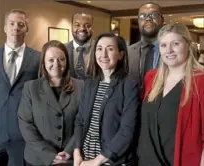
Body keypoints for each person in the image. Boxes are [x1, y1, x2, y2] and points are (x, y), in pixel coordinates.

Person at [137, 23, 204, 166]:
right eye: (163, 45)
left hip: (180, 161)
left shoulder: (200, 80)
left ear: (188, 45)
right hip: (147, 160)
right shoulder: (152, 77)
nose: (169, 50)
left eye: (176, 44)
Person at [71, 32, 139, 166]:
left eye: (110, 49)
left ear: (121, 55)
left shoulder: (129, 85)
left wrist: (97, 161)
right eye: (99, 48)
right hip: (85, 158)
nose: (104, 54)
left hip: (111, 160)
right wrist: (76, 151)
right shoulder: (90, 84)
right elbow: (80, 120)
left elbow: (127, 131)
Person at [18, 40, 84, 166]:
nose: (56, 64)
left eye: (61, 59)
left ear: (67, 61)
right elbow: (26, 124)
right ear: (43, 62)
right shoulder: (30, 88)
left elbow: (84, 121)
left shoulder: (81, 87)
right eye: (51, 60)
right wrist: (48, 155)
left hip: (69, 159)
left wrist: (69, 151)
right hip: (38, 159)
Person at [0, 9, 40, 166]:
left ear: (27, 29)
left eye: (21, 24)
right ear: (5, 28)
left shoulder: (38, 58)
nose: (16, 28)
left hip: (23, 136)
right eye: (11, 23)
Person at [128, 2, 164, 88]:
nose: (148, 19)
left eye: (154, 15)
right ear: (138, 21)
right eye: (142, 16)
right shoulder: (128, 52)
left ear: (162, 20)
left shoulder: (172, 51)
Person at [66, 12, 94, 80]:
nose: (82, 29)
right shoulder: (62, 49)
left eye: (87, 25)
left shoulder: (100, 49)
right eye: (77, 25)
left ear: (92, 27)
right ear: (71, 26)